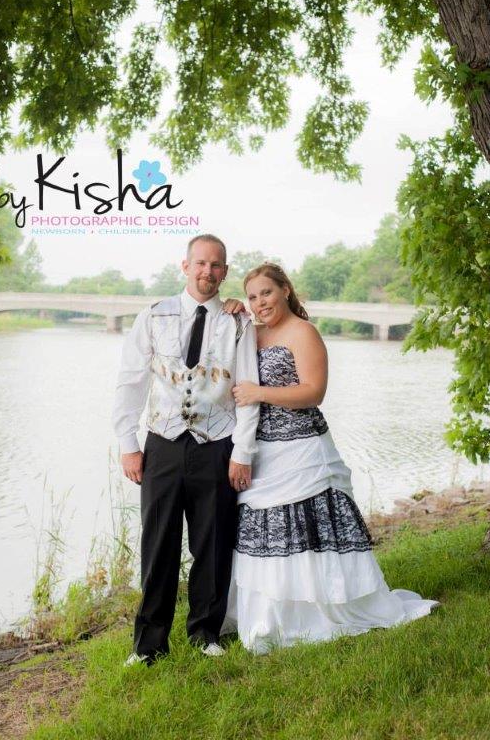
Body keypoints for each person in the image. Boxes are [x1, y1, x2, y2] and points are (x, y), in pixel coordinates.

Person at [222, 263, 439, 654]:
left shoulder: (303, 333)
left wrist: (260, 393)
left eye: (266, 293)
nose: (260, 302)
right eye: (253, 296)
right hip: (262, 451)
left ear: (285, 290)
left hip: (303, 449)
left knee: (306, 530)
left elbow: (313, 392)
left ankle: (317, 614)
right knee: (266, 531)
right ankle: (270, 616)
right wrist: (235, 308)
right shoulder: (249, 332)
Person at [112, 234, 259, 665]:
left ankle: (205, 633)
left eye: (216, 266)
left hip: (218, 445)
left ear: (225, 272)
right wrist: (128, 444)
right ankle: (148, 645)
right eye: (200, 263)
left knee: (212, 544)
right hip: (161, 445)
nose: (207, 272)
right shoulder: (153, 315)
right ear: (184, 265)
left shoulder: (239, 323)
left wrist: (242, 452)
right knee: (157, 545)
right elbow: (130, 381)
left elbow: (246, 391)